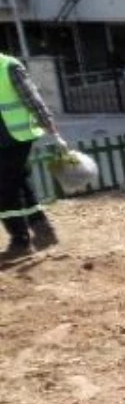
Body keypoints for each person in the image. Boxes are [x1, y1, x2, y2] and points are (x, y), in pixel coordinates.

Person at [0, 52, 61, 262]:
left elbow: (31, 97)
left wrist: (47, 121)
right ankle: (41, 224)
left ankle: (20, 239)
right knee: (18, 179)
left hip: (15, 136)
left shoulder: (8, 66)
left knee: (5, 187)